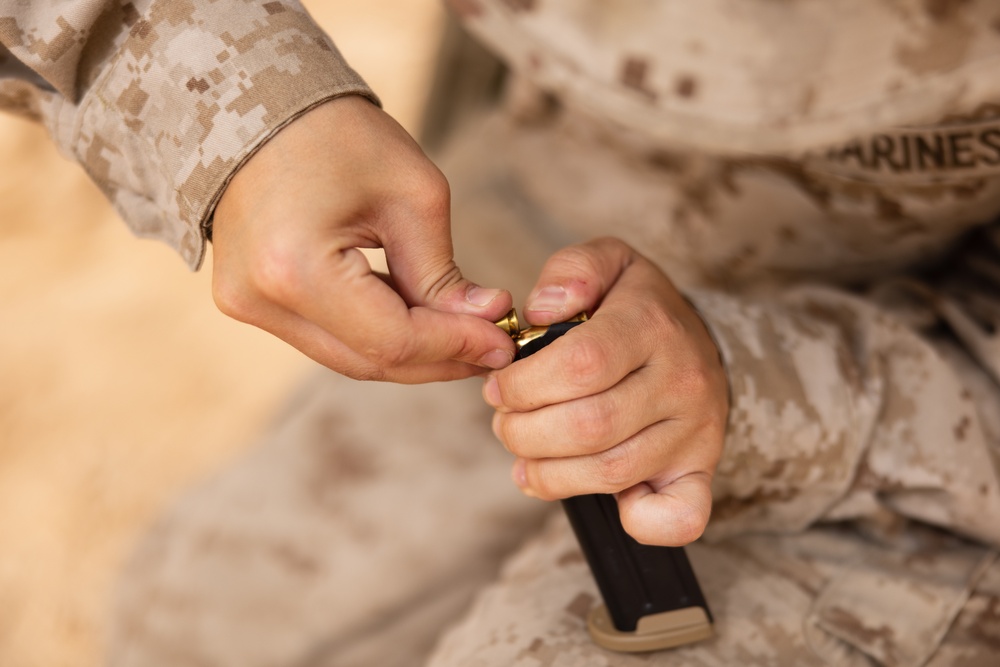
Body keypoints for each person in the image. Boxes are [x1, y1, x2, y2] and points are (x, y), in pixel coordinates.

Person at [3, 1, 999, 665]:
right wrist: (234, 110)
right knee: (197, 629)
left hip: (942, 406)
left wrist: (765, 388)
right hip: (583, 186)